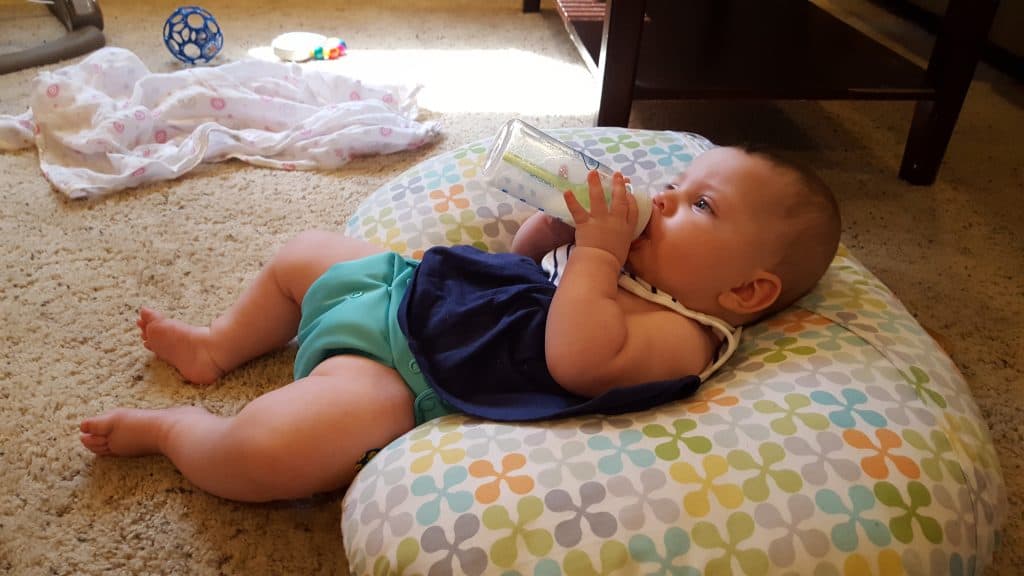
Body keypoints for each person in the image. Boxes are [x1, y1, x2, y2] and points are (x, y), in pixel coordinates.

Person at [79, 146, 841, 503]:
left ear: (747, 290)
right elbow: (520, 267)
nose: (666, 200)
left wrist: (601, 252)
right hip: (415, 289)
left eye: (701, 207)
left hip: (411, 380)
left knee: (264, 452)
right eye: (676, 185)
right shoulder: (634, 262)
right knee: (299, 255)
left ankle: (180, 431)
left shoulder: (684, 333)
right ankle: (219, 345)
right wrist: (554, 233)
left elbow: (575, 359)